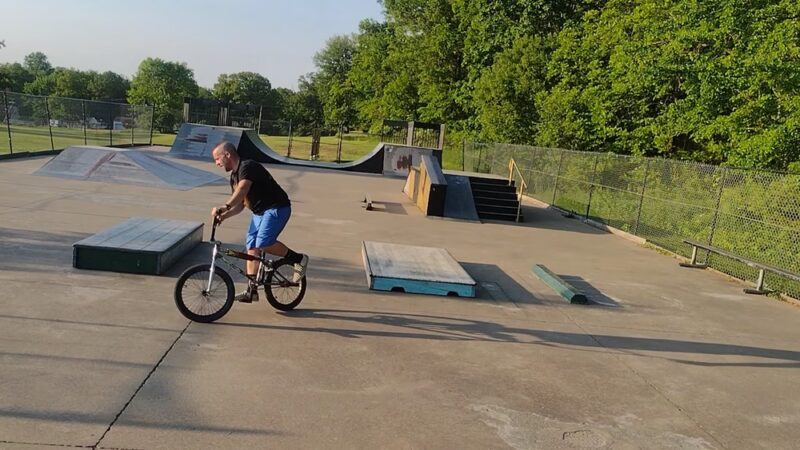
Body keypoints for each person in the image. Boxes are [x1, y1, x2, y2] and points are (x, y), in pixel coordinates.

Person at [210, 141, 308, 303]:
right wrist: (224, 216)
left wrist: (224, 206)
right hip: (259, 213)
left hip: (277, 208)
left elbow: (242, 190)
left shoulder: (247, 167)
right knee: (252, 248)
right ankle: (251, 290)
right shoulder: (234, 176)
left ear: (227, 154)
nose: (217, 163)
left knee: (263, 242)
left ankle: (299, 259)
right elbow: (241, 204)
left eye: (217, 159)